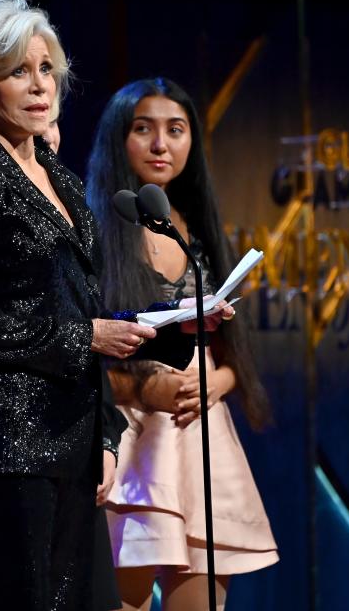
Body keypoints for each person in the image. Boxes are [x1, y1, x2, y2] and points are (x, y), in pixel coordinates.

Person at [0, 0, 155, 610]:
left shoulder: (62, 180)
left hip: (73, 439)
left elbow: (82, 310)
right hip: (9, 443)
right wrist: (85, 338)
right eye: (17, 71)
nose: (38, 86)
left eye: (46, 69)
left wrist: (105, 436)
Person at [86, 77, 278, 611]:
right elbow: (82, 348)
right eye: (142, 129)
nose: (160, 145)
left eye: (175, 130)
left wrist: (216, 380)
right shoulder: (95, 228)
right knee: (123, 599)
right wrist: (151, 387)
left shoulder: (194, 230)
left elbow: (234, 352)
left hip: (199, 428)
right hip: (129, 434)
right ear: (116, 140)